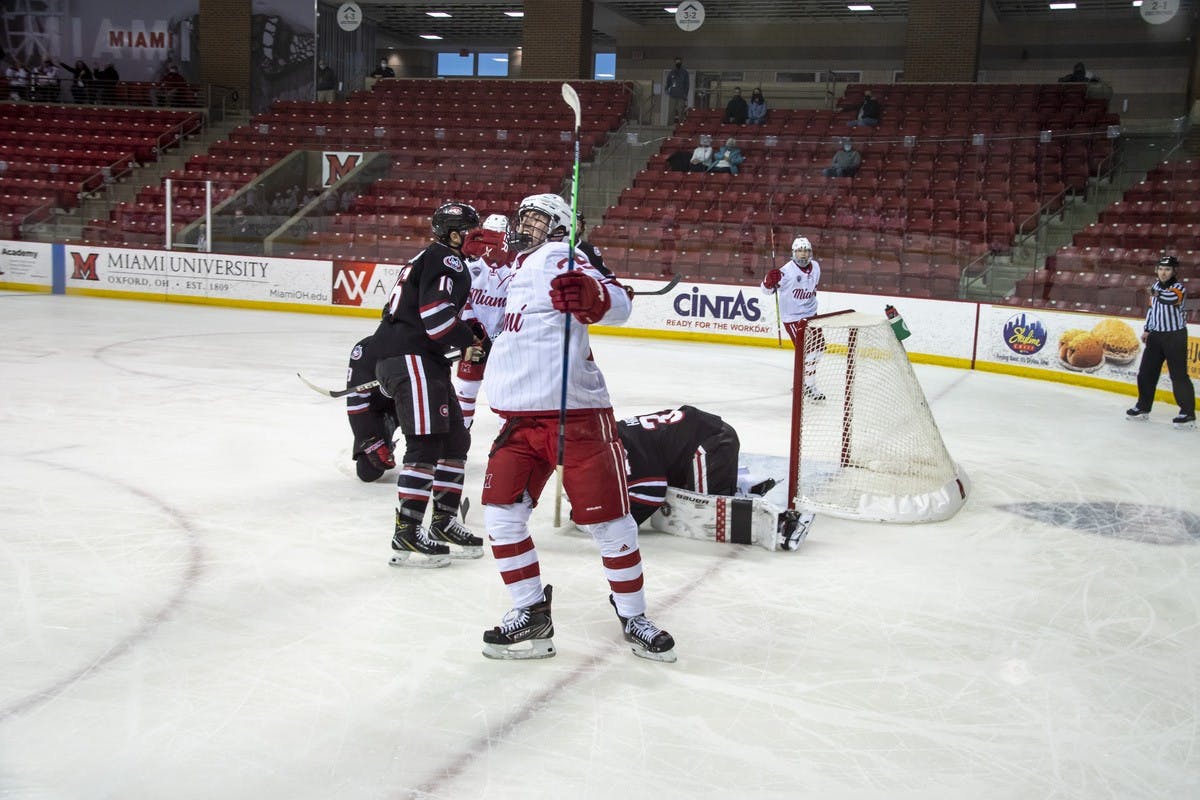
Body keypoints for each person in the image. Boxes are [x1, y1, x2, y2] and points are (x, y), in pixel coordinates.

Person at [478, 192, 676, 663]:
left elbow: (618, 302)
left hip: (576, 418)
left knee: (608, 524)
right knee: (501, 519)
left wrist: (592, 296)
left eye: (537, 219)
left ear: (561, 228)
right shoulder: (517, 271)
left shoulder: (558, 255)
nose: (525, 225)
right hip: (519, 422)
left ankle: (634, 616)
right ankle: (531, 613)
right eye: (522, 216)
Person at [373, 201, 488, 567]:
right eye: (473, 230)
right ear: (453, 234)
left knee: (456, 440)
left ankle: (443, 522)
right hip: (414, 360)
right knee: (425, 445)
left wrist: (466, 336)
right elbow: (437, 319)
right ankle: (407, 531)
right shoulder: (447, 260)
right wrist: (467, 339)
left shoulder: (428, 258)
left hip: (421, 361)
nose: (478, 237)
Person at [616, 405, 814, 551]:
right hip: (706, 440)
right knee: (679, 493)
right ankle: (740, 484)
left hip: (711, 445)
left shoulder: (623, 450)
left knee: (704, 510)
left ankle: (787, 523)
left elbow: (653, 492)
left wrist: (616, 525)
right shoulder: (617, 435)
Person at [453, 213, 515, 430]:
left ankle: (505, 439)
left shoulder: (516, 268)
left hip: (503, 344)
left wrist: (501, 336)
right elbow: (461, 301)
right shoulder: (469, 266)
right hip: (474, 340)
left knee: (505, 394)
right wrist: (473, 332)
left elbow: (518, 307)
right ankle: (460, 434)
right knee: (465, 388)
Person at [1125, 255, 1195, 428]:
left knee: (1178, 376)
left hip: (1175, 336)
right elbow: (1152, 309)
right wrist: (1147, 329)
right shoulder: (1155, 286)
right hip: (1156, 336)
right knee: (1146, 373)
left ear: (1174, 271)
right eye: (1161, 269)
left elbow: (1169, 299)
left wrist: (1154, 293)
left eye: (1168, 269)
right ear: (1157, 270)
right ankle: (1143, 407)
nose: (1164, 273)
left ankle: (1187, 413)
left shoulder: (1179, 288)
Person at [762, 236, 824, 399]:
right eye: (799, 251)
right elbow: (767, 290)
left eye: (806, 251)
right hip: (793, 317)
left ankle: (805, 384)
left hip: (811, 314)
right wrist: (768, 281)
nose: (803, 254)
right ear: (793, 253)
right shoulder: (786, 271)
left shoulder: (816, 267)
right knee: (809, 352)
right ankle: (808, 386)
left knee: (819, 350)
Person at [345, 335, 399, 482]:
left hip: (421, 401)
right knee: (368, 471)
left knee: (442, 455)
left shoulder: (426, 341)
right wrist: (370, 440)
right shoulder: (367, 349)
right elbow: (357, 401)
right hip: (389, 407)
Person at [665, 56, 690, 124]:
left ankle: (681, 125)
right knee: (671, 111)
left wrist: (685, 94)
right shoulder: (672, 72)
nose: (678, 63)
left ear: (681, 62)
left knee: (681, 111)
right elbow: (668, 82)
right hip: (673, 94)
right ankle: (669, 125)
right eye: (677, 61)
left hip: (681, 95)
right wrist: (666, 89)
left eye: (679, 61)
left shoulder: (685, 73)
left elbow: (687, 84)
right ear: (675, 62)